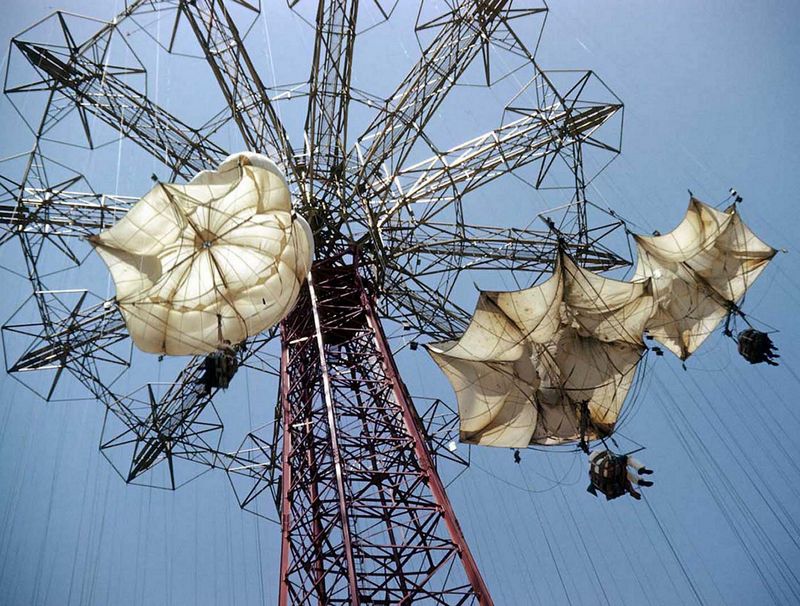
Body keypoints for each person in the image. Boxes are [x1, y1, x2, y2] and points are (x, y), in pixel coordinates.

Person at [587, 449, 653, 501]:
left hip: (607, 476)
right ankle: (640, 469)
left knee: (625, 474)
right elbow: (608, 453)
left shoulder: (592, 469)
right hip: (609, 466)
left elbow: (626, 483)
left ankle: (640, 481)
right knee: (627, 459)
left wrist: (632, 492)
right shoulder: (596, 453)